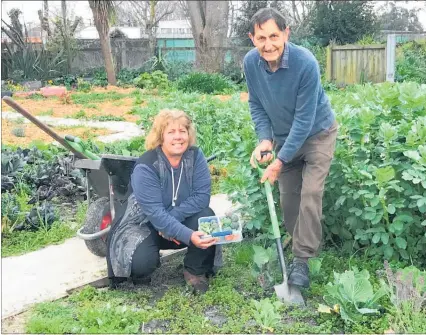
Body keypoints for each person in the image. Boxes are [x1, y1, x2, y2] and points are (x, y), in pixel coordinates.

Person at [243, 8, 338, 288]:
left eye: (274, 35)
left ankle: (302, 260)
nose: (268, 44)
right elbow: (256, 104)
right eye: (261, 38)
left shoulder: (305, 63)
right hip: (284, 138)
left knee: (310, 192)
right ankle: (298, 241)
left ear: (286, 33)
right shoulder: (250, 64)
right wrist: (265, 140)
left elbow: (304, 119)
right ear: (252, 38)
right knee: (289, 200)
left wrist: (279, 161)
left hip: (318, 134)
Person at [106, 109, 218, 293]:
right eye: (171, 132)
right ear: (160, 137)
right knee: (141, 264)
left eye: (182, 131)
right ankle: (145, 265)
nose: (178, 137)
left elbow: (202, 197)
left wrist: (174, 218)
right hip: (144, 224)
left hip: (178, 218)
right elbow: (155, 214)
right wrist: (188, 235)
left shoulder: (195, 156)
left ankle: (194, 271)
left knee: (206, 217)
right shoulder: (146, 166)